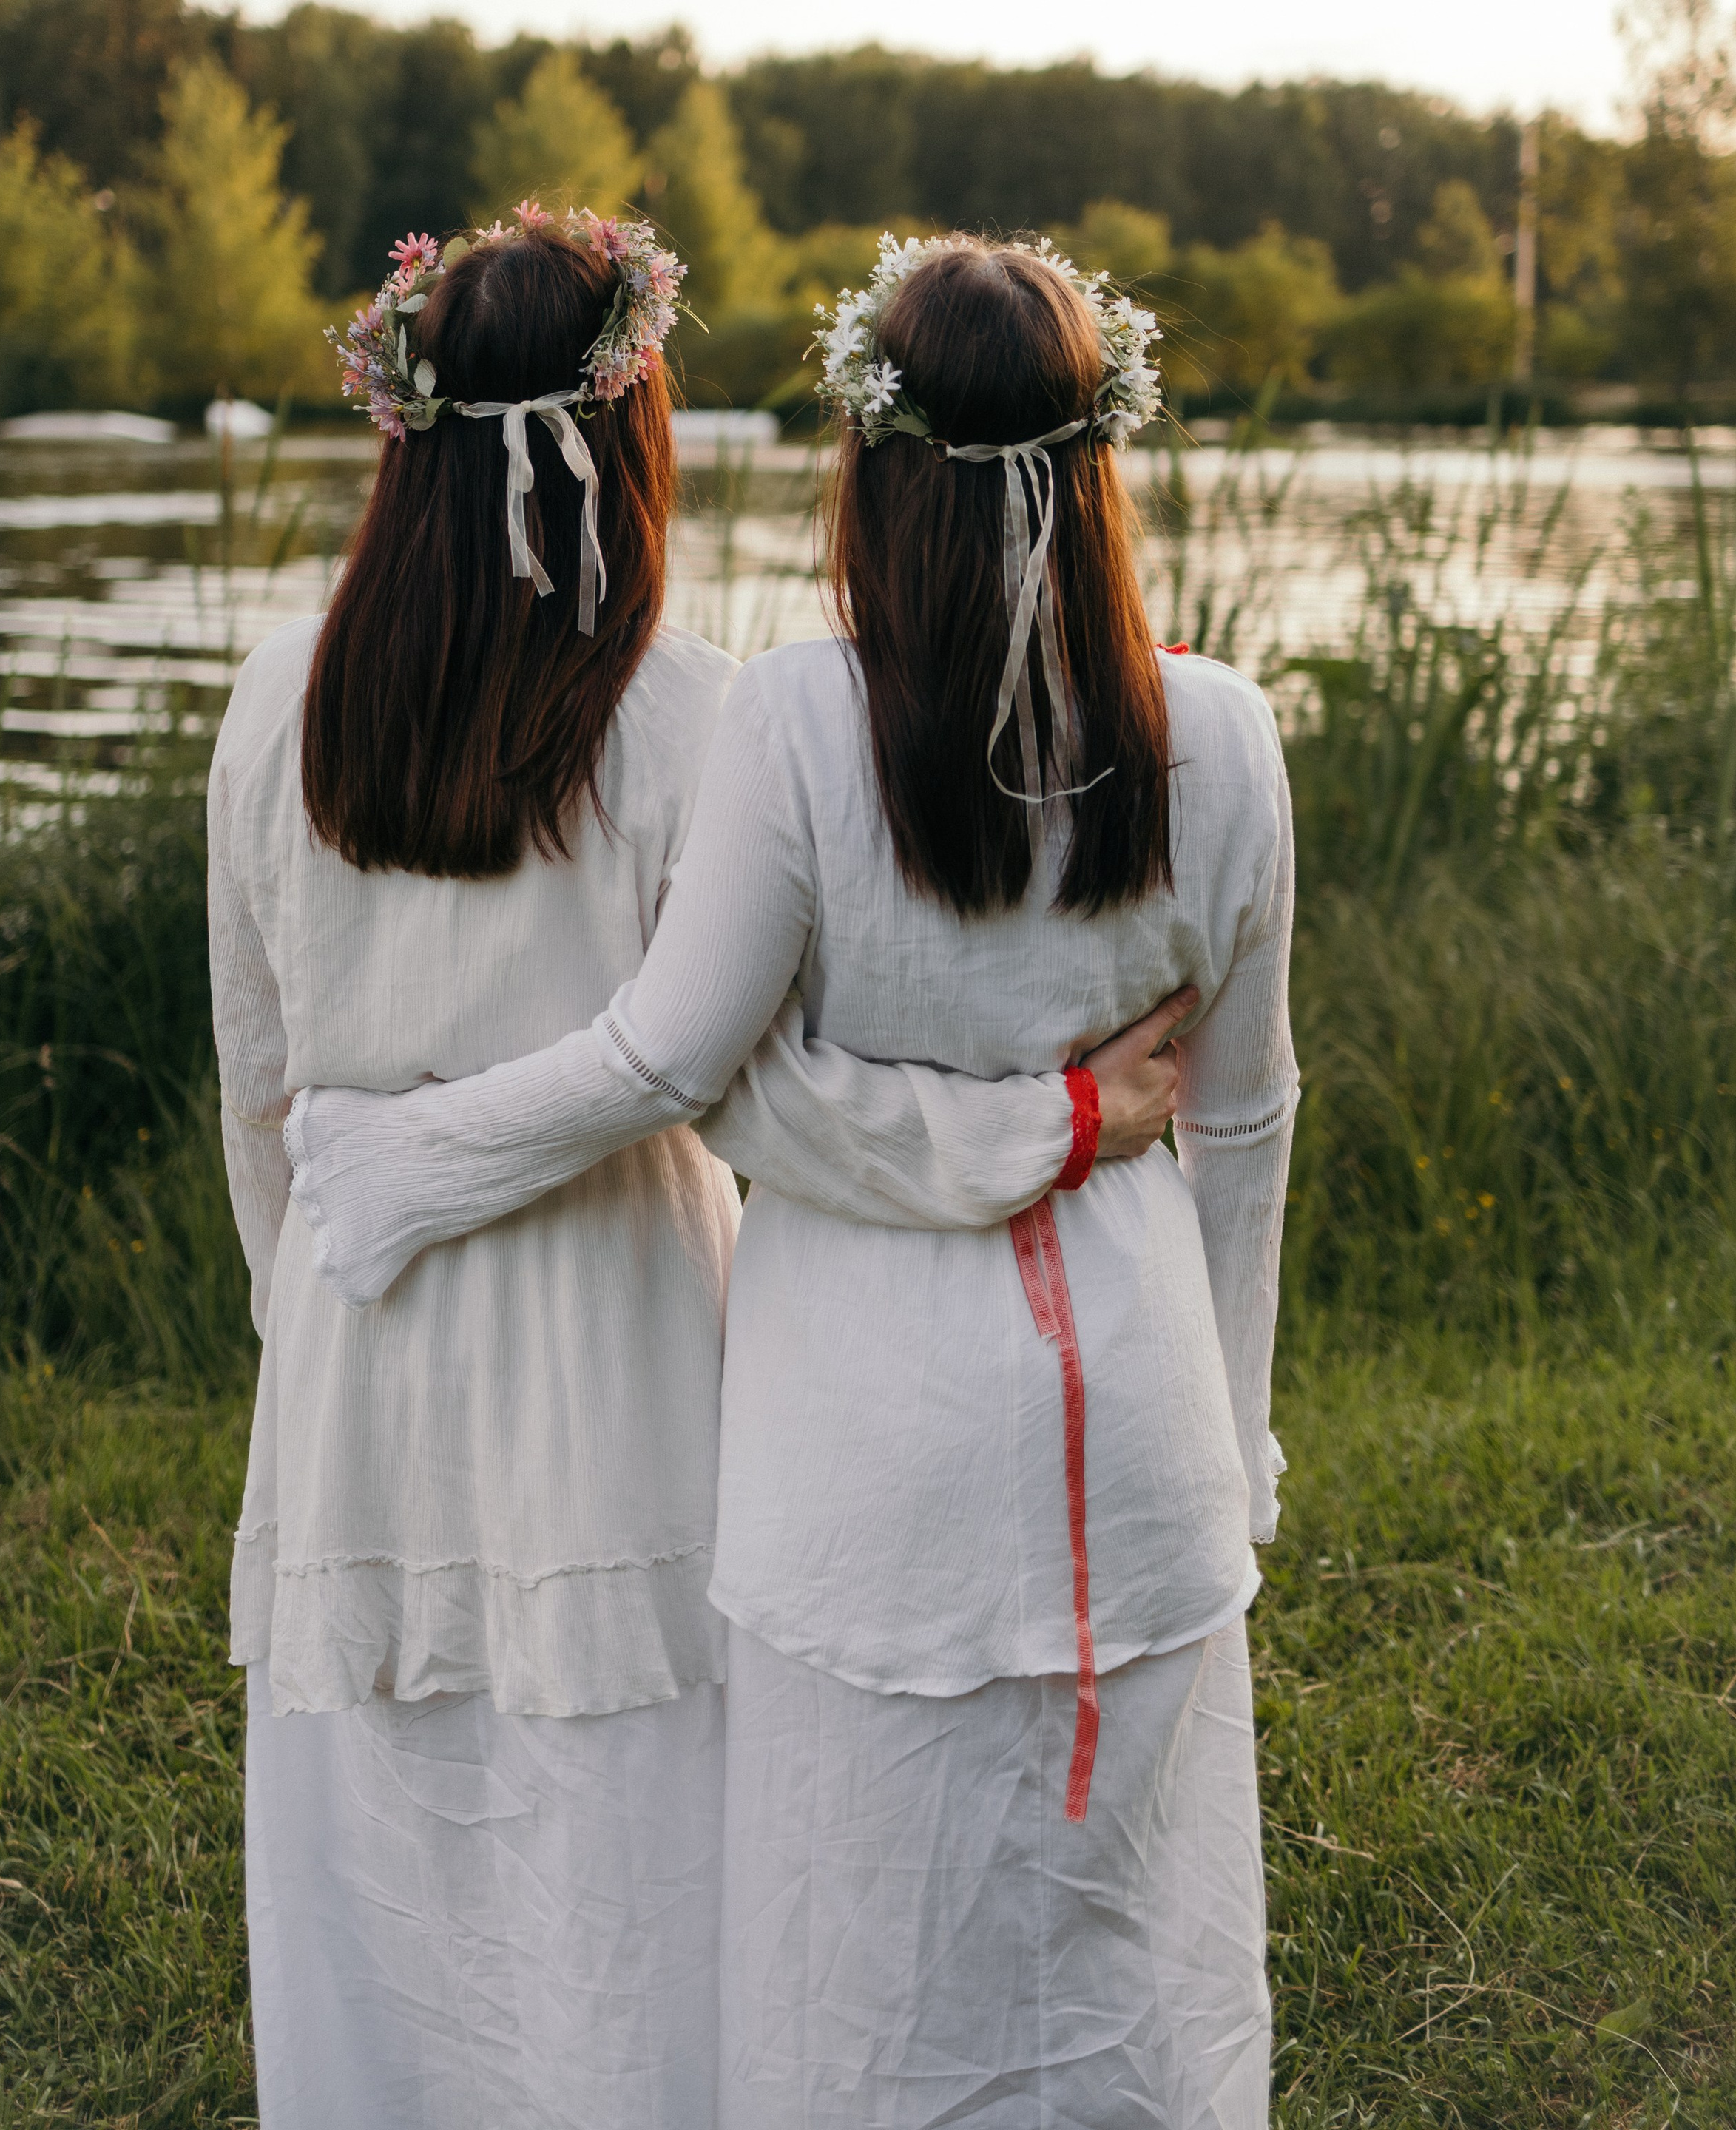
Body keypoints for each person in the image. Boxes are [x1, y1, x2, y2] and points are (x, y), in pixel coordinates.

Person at [291, 229, 1298, 2130]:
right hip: (1140, 1422)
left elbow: (692, 1070)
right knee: (1123, 1941)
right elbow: (1241, 1126)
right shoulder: (1224, 735)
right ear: (1105, 463)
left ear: (871, 464)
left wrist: (407, 1159)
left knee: (862, 1953)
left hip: (862, 1450)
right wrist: (1224, 1427)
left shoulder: (795, 719)